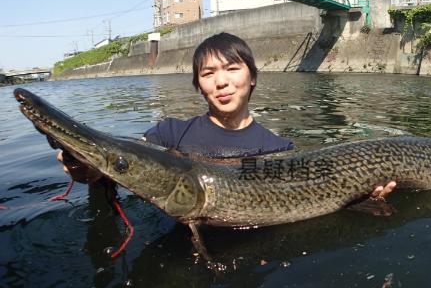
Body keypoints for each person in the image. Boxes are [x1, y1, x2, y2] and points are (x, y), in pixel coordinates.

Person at [58, 32, 395, 197]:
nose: (221, 82)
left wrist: (364, 193)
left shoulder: (275, 148)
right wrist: (87, 169)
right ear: (198, 85)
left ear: (252, 77)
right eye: (207, 74)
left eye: (232, 69)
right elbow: (126, 164)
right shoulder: (171, 134)